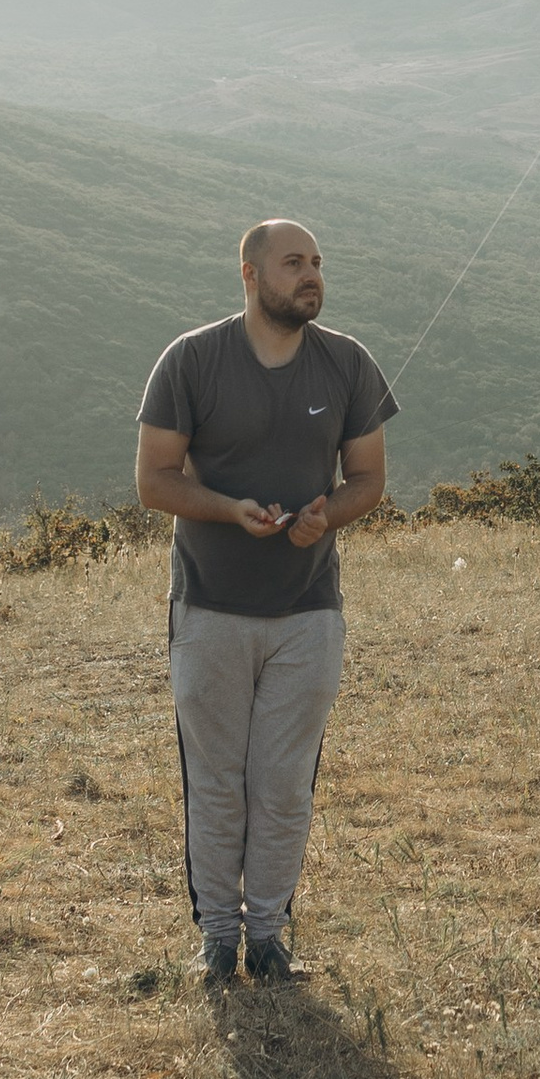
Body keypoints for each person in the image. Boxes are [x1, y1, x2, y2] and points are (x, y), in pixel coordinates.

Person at [135, 220, 396, 985]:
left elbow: (369, 481)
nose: (311, 276)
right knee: (217, 780)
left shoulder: (348, 363)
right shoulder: (191, 359)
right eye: (294, 264)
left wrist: (327, 516)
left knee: (282, 782)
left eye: (316, 263)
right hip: (210, 607)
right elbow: (155, 481)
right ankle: (218, 941)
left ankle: (270, 939)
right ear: (250, 274)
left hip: (310, 611)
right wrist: (230, 508)